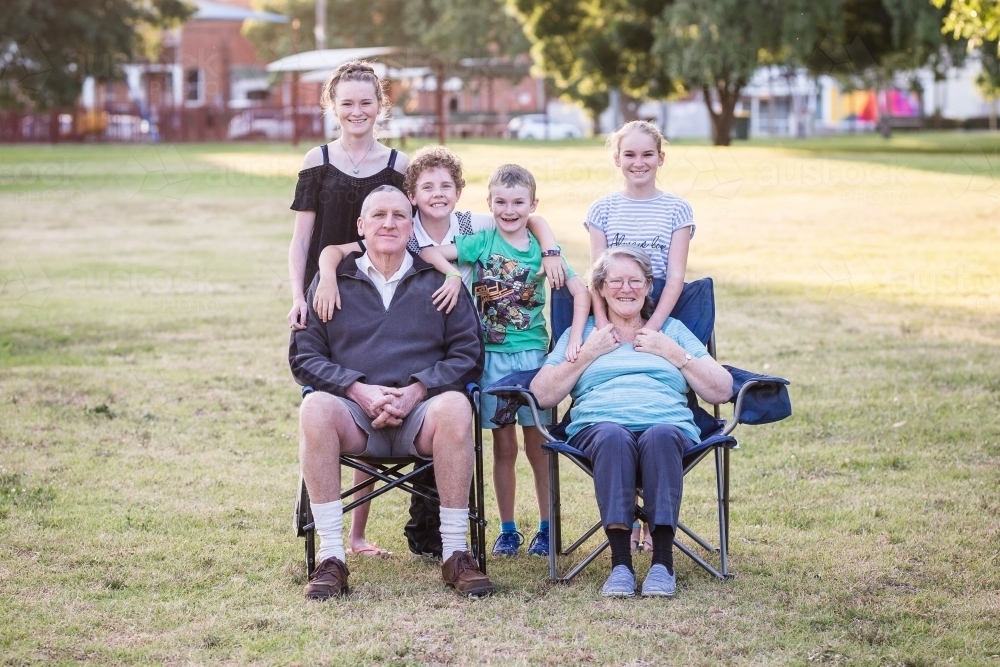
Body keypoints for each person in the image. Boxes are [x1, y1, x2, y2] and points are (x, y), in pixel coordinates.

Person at [310, 146, 569, 557]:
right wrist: (324, 275)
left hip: (468, 348)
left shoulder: (474, 224)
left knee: (465, 419)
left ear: (460, 192)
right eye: (427, 186)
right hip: (422, 343)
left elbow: (526, 215)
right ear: (411, 195)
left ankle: (453, 534)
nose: (437, 193)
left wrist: (552, 249)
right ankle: (378, 535)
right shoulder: (402, 230)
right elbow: (340, 250)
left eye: (446, 186)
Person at [290, 185, 493, 599]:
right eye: (378, 215)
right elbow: (304, 356)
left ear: (411, 225)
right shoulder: (332, 282)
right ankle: (332, 557)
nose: (389, 223)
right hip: (355, 416)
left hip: (420, 420)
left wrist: (418, 390)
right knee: (314, 408)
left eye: (399, 215)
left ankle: (455, 553)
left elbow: (469, 354)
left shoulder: (439, 282)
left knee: (456, 405)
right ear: (361, 226)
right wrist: (356, 389)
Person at [529, 247, 732, 597]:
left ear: (648, 287)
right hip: (598, 428)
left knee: (661, 436)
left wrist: (674, 353)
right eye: (616, 281)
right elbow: (542, 393)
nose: (626, 289)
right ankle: (620, 563)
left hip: (668, 426)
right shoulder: (583, 334)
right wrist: (587, 355)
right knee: (612, 436)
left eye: (635, 281)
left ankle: (662, 564)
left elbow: (721, 388)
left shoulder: (672, 330)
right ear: (601, 289)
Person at [428, 164, 591, 558]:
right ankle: (507, 529)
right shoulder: (481, 242)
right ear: (489, 204)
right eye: (500, 202)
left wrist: (574, 337)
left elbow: (581, 293)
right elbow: (430, 251)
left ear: (532, 205)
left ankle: (548, 527)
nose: (509, 209)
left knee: (538, 448)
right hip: (491, 361)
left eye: (518, 202)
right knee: (503, 449)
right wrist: (452, 274)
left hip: (534, 359)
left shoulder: (543, 251)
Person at [287, 60, 409, 558]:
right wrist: (299, 296)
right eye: (348, 103)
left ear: (381, 105)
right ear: (332, 108)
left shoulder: (399, 165)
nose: (357, 111)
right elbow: (300, 242)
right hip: (327, 297)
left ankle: (357, 533)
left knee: (375, 395)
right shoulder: (316, 160)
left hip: (380, 296)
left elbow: (413, 228)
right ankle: (326, 528)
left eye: (367, 102)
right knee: (332, 407)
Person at [586, 120, 696, 553]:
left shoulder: (676, 210)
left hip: (659, 308)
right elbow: (598, 277)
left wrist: (652, 330)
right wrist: (605, 329)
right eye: (629, 155)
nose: (638, 162)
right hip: (613, 309)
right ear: (617, 159)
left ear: (660, 158)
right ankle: (627, 522)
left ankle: (654, 523)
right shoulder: (602, 210)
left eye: (647, 154)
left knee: (654, 408)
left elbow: (676, 278)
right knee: (618, 408)